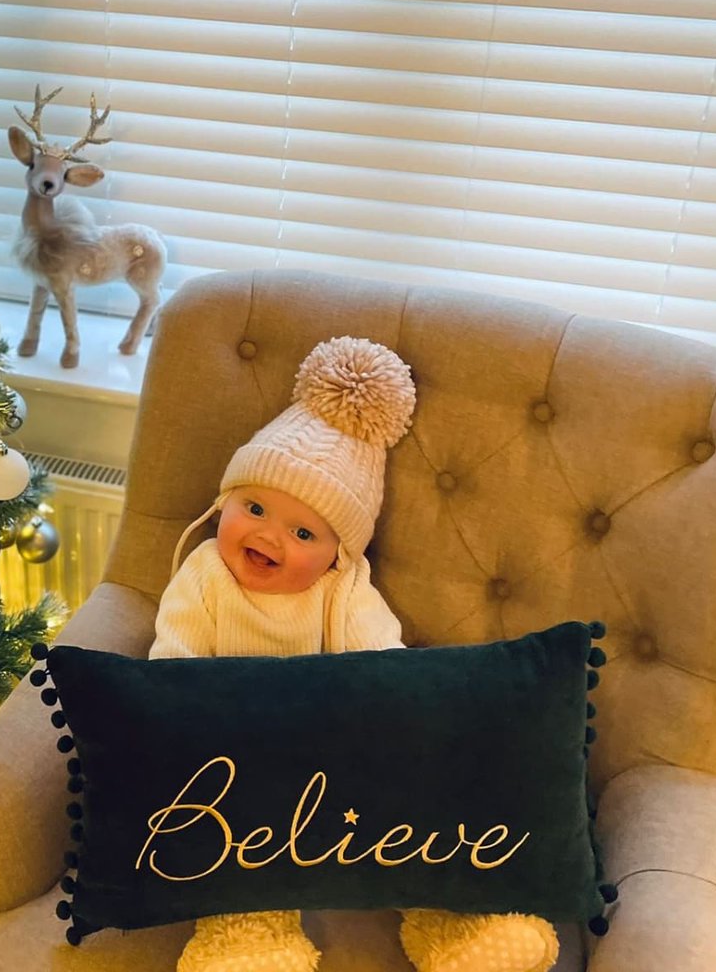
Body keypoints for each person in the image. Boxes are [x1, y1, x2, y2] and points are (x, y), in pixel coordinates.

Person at [150, 335, 559, 972]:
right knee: (231, 829)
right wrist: (188, 723)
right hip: (236, 754)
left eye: (303, 531)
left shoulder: (341, 589)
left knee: (405, 805)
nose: (266, 535)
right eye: (253, 506)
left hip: (332, 754)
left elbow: (381, 666)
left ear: (337, 552)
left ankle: (449, 924)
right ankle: (249, 937)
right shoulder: (205, 574)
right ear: (222, 503)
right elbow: (170, 665)